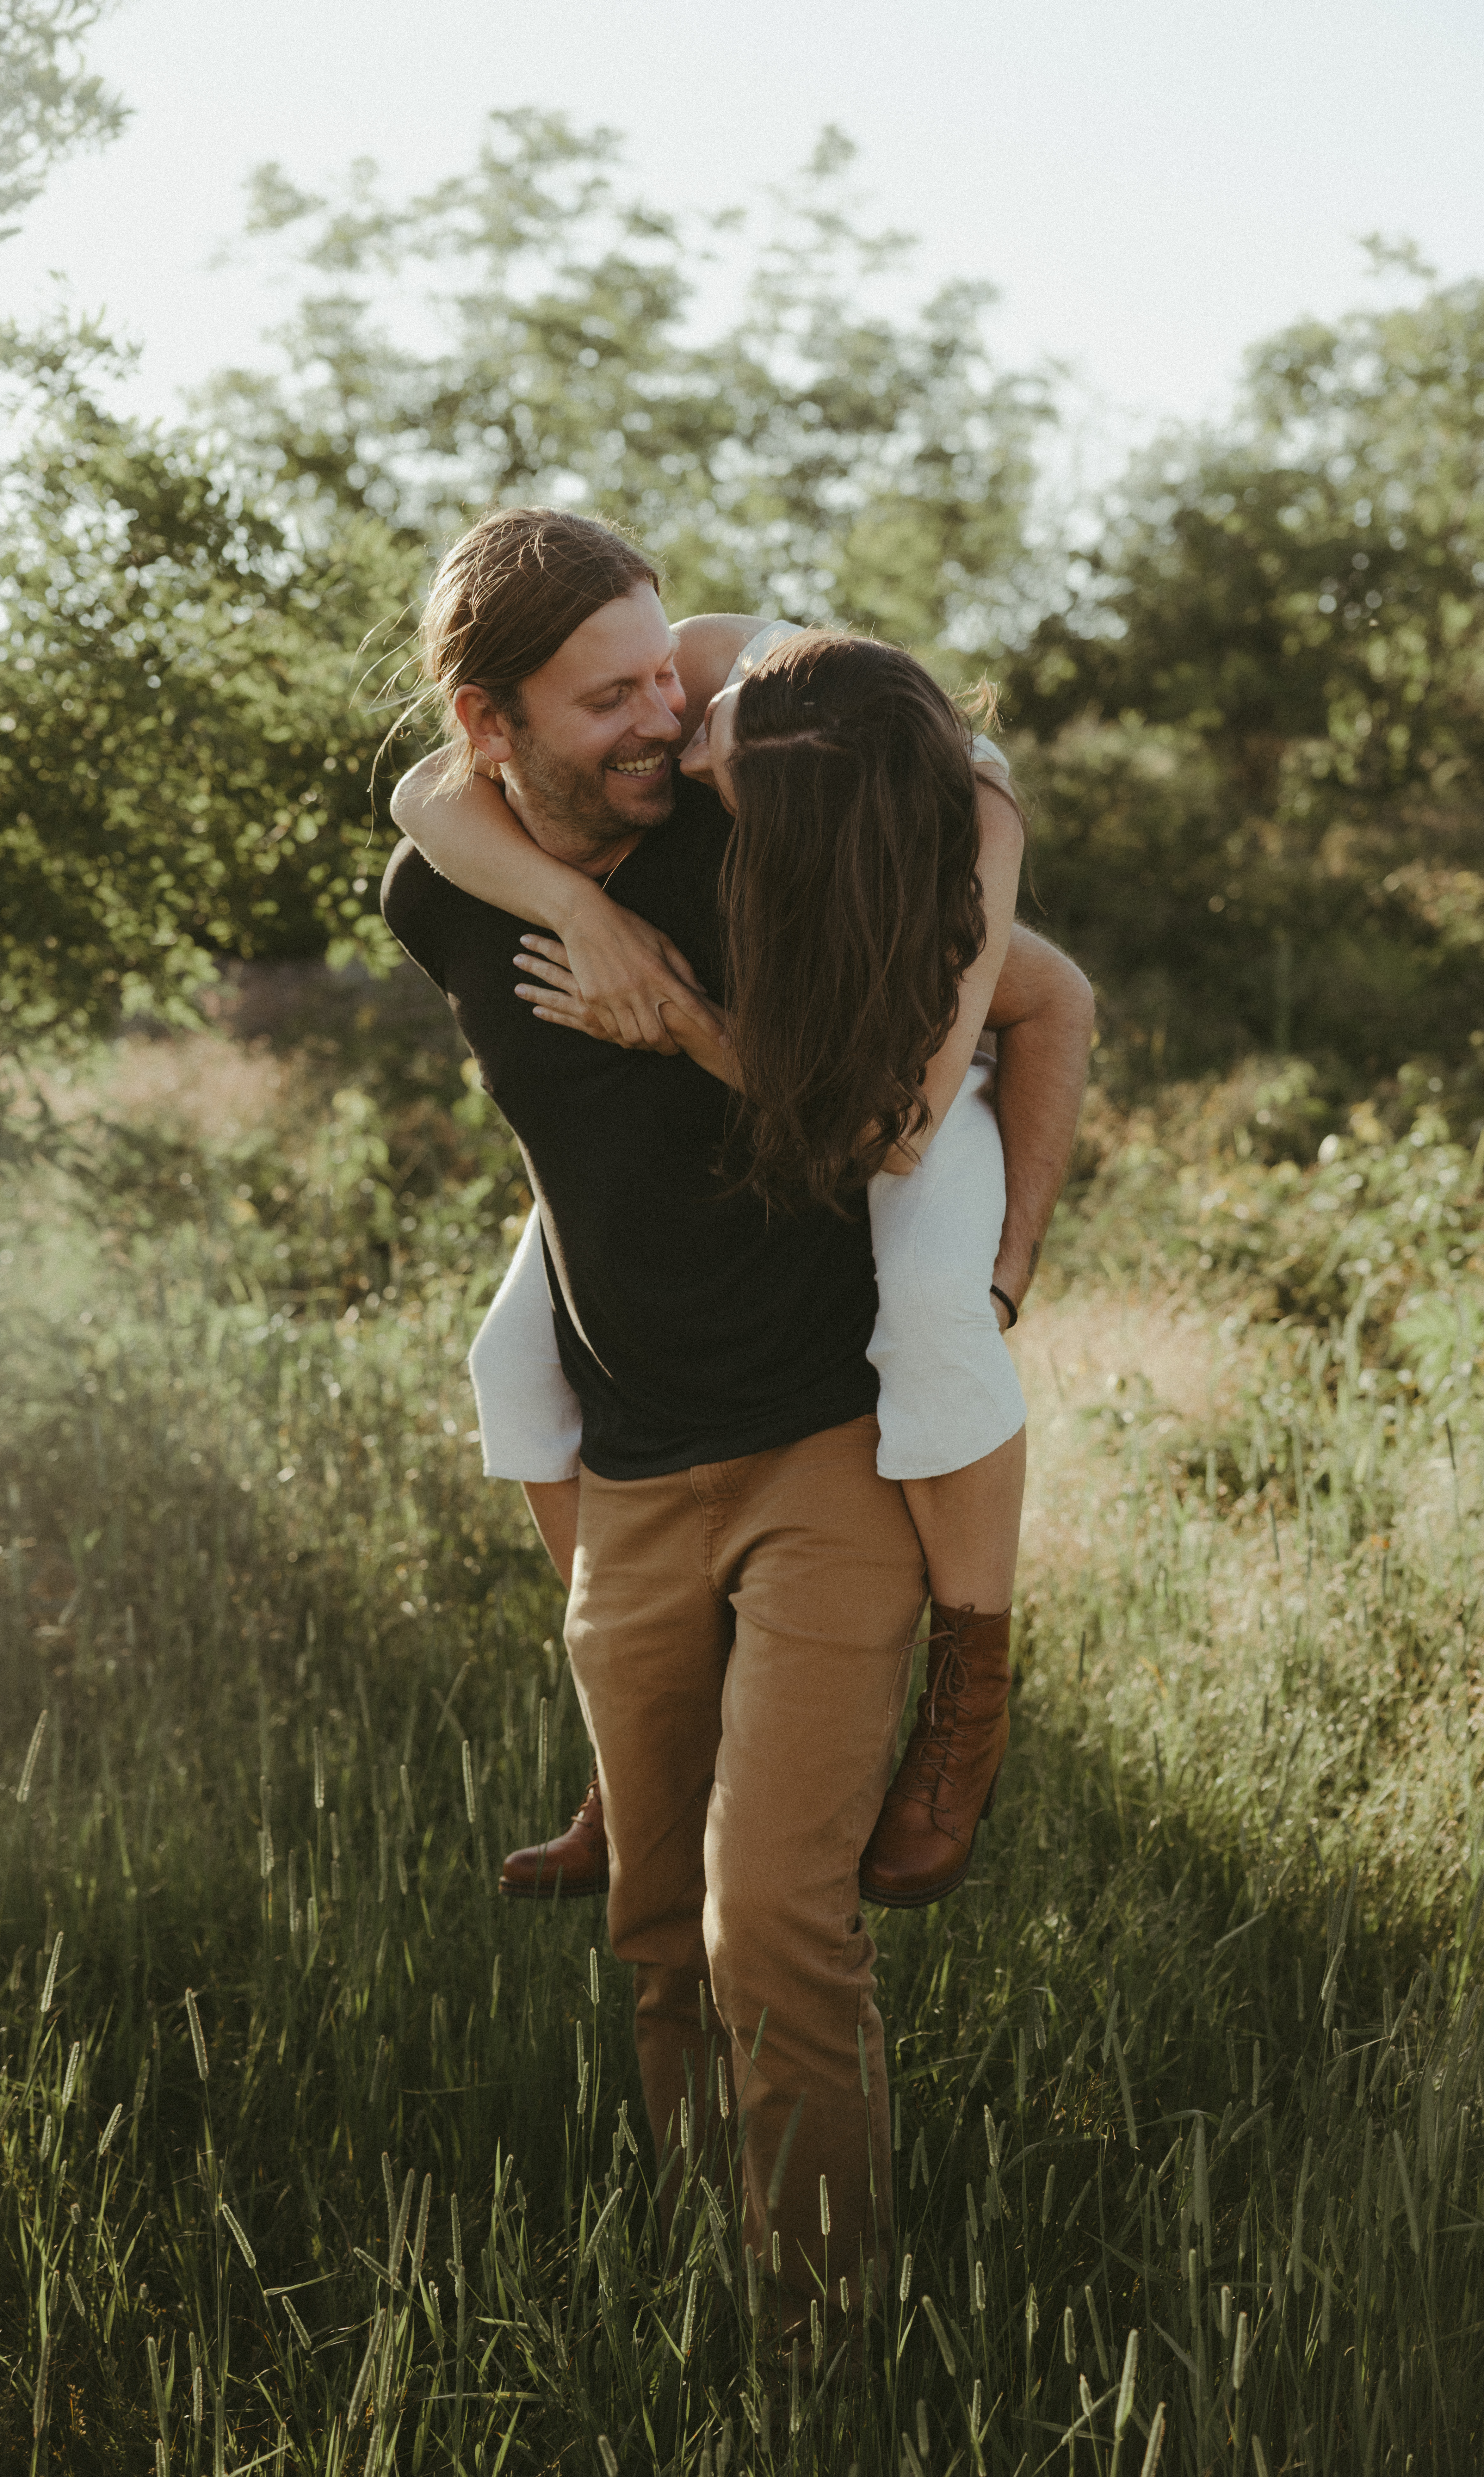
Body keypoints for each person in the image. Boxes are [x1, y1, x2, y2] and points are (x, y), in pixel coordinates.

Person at [380, 508, 1091, 2340]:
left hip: (820, 1449)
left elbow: (1022, 970)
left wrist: (998, 1245)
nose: (658, 717)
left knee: (769, 1926)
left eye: (662, 677)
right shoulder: (446, 888)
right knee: (651, 1934)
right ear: (490, 719)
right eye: (606, 697)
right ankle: (704, 2276)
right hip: (628, 1467)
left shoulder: (746, 823)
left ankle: (821, 2356)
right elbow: (421, 817)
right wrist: (568, 907)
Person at [395, 617, 1043, 1910]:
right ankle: (632, 1742)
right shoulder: (703, 663)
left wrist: (1007, 1260)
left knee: (926, 1314)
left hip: (911, 1103)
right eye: (701, 726)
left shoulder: (952, 846)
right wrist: (586, 913)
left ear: (800, 826)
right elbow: (426, 790)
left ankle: (967, 1707)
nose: (682, 758)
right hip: (799, 1073)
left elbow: (883, 1131)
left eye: (714, 771)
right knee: (511, 1365)